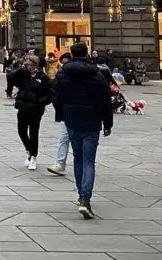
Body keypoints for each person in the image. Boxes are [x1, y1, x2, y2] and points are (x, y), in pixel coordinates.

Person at [54, 42, 113, 219]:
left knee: (78, 158)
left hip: (72, 119)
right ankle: (85, 198)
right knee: (89, 161)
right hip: (92, 120)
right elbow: (106, 100)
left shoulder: (63, 73)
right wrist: (108, 123)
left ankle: (81, 195)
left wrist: (62, 114)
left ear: (70, 54)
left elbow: (56, 96)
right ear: (87, 53)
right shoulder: (97, 74)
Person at [7, 55, 52, 171]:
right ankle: (29, 149)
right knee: (21, 131)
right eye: (28, 65)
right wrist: (19, 70)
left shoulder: (43, 78)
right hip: (23, 107)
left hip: (36, 109)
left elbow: (49, 94)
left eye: (31, 65)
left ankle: (33, 156)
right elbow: (10, 79)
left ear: (36, 66)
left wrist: (39, 102)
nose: (29, 67)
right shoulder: (22, 75)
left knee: (33, 132)